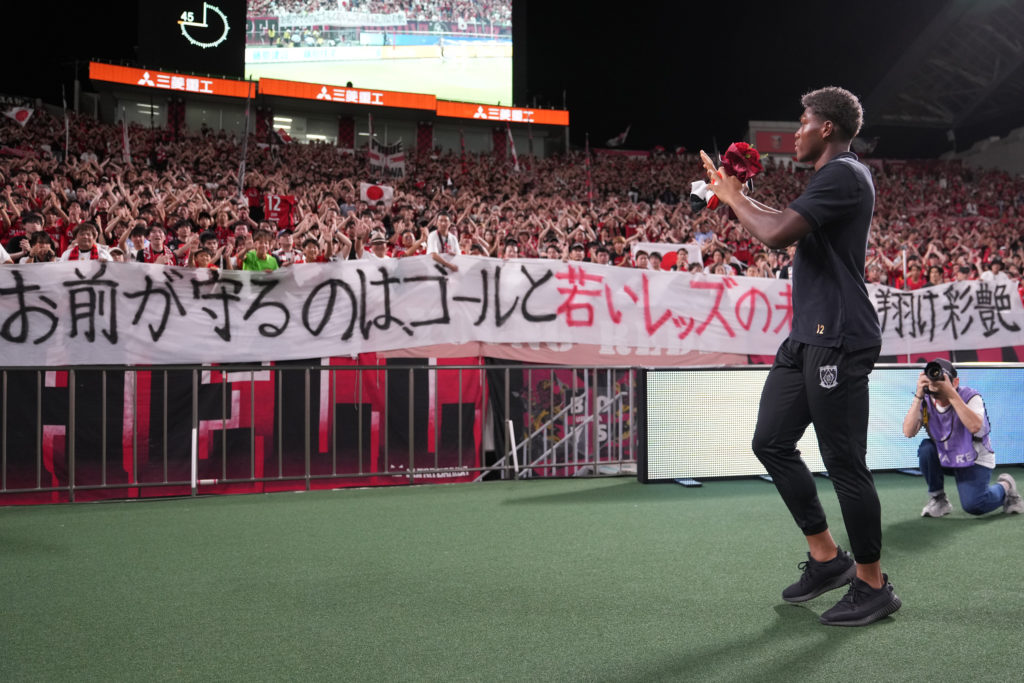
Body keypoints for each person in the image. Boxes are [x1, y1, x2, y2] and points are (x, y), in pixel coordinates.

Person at [702, 86, 899, 626]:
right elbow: (780, 222)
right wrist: (735, 192)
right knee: (770, 441)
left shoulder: (844, 174)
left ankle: (873, 585)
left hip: (838, 335)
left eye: (803, 121)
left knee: (844, 464)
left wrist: (733, 196)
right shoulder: (831, 177)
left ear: (827, 129)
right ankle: (826, 557)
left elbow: (774, 234)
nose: (797, 130)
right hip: (806, 338)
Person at [902, 358, 1022, 517]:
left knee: (974, 506)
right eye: (933, 377)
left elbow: (975, 427)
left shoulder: (971, 397)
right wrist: (918, 396)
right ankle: (938, 499)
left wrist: (951, 394)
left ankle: (1006, 487)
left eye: (942, 378)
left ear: (955, 381)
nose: (937, 383)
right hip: (946, 455)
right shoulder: (925, 400)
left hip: (974, 458)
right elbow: (908, 432)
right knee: (926, 449)